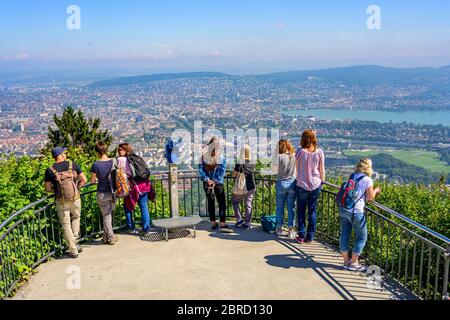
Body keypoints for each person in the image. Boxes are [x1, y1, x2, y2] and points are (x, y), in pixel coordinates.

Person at [44, 147, 87, 258]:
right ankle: (75, 241)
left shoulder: (50, 170)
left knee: (66, 225)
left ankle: (73, 250)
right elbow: (84, 180)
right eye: (64, 153)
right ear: (61, 155)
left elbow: (48, 188)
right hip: (75, 198)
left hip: (61, 200)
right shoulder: (72, 164)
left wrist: (57, 191)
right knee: (76, 218)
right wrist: (77, 188)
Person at [340, 158, 381, 272]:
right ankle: (354, 263)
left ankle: (346, 261)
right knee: (362, 237)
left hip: (344, 209)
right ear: (368, 167)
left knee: (344, 234)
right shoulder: (368, 180)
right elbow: (370, 198)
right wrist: (376, 191)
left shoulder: (353, 175)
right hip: (356, 212)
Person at [295, 129, 325, 244]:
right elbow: (322, 170)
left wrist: (298, 178)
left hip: (302, 184)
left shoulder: (300, 152)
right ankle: (310, 236)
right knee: (312, 210)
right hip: (316, 184)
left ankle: (301, 235)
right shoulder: (319, 152)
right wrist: (322, 182)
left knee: (301, 210)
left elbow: (295, 168)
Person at [117, 143, 152, 236]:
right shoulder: (136, 157)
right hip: (145, 185)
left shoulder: (121, 159)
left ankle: (131, 227)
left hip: (133, 187)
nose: (118, 151)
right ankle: (146, 229)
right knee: (144, 208)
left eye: (120, 149)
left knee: (128, 207)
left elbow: (119, 173)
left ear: (125, 150)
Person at [198, 137, 231, 232]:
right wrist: (215, 181)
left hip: (207, 183)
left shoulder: (203, 157)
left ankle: (213, 223)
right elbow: (222, 171)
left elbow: (200, 170)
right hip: (218, 183)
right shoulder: (221, 157)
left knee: (211, 202)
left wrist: (207, 179)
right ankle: (222, 223)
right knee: (221, 203)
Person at [90, 141, 119, 245]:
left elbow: (92, 181)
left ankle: (111, 237)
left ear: (97, 152)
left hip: (102, 192)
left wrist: (98, 179)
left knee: (106, 216)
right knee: (108, 215)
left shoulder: (96, 164)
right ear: (106, 150)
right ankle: (105, 237)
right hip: (114, 192)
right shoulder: (113, 162)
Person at [272, 139, 297, 238]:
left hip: (281, 183)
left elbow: (274, 170)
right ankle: (291, 229)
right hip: (292, 183)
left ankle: (279, 228)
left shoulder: (278, 157)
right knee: (291, 208)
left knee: (280, 207)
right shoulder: (293, 156)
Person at [231, 145, 256, 230]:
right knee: (248, 205)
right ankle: (247, 223)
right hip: (251, 186)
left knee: (234, 202)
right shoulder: (253, 161)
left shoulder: (240, 162)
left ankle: (239, 220)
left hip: (241, 187)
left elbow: (234, 174)